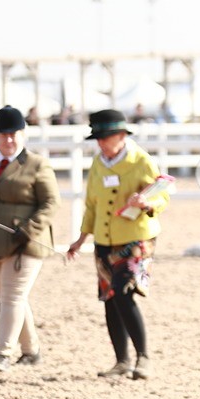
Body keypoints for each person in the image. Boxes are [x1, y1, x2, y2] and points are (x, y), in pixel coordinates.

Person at [66, 109, 170, 379]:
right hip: (104, 241)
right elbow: (91, 205)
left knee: (123, 292)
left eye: (105, 137)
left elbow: (161, 196)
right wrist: (81, 238)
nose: (100, 143)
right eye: (98, 138)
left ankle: (143, 357)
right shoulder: (99, 164)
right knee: (109, 299)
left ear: (122, 135)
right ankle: (121, 360)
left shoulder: (141, 161)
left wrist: (145, 203)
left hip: (136, 238)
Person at [0, 106, 59, 372]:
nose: (8, 140)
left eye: (13, 134)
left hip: (25, 243)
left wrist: (29, 229)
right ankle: (31, 350)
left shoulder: (37, 165)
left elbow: (50, 202)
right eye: (3, 135)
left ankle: (3, 353)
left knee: (12, 296)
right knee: (10, 296)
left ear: (23, 135)